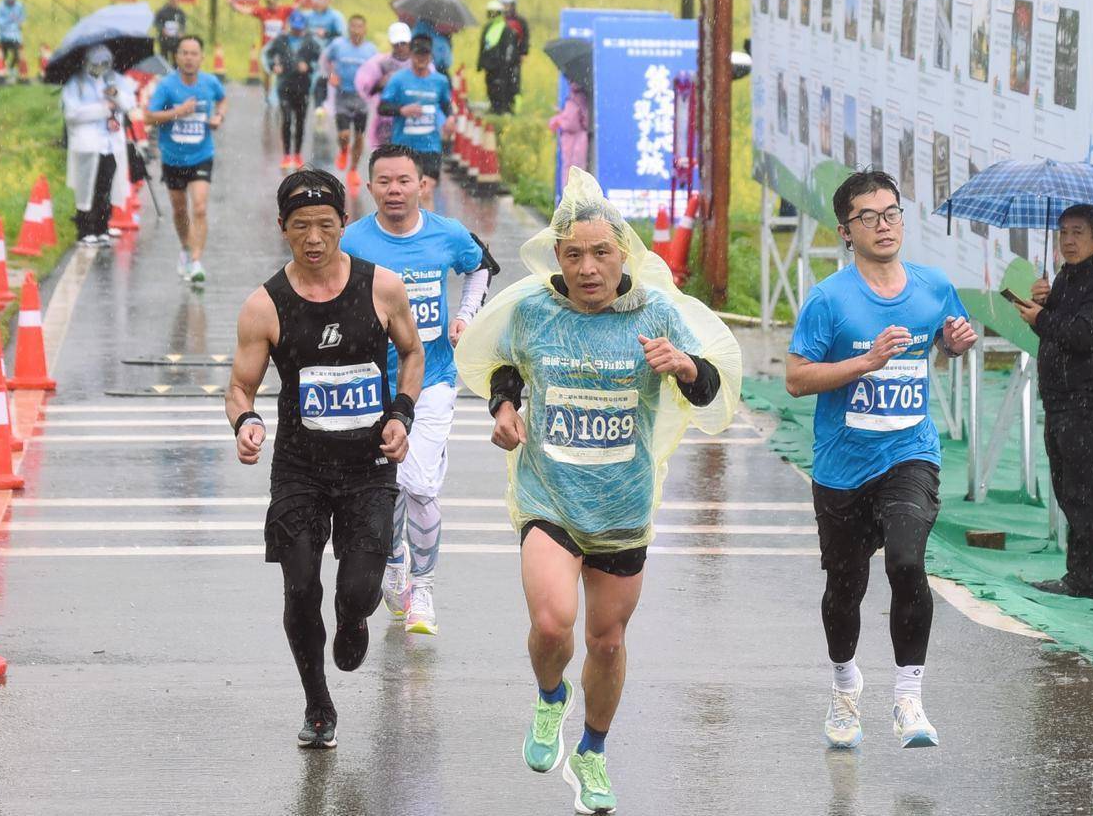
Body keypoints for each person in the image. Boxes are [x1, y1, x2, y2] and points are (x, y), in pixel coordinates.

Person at [457, 167, 740, 816]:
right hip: (548, 493)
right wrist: (504, 407)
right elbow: (504, 362)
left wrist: (687, 367)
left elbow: (708, 394)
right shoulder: (533, 309)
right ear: (557, 257)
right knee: (553, 621)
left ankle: (591, 749)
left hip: (620, 504)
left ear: (623, 256)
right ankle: (550, 695)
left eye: (601, 253)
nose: (588, 267)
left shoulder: (655, 313)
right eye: (574, 254)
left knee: (607, 641)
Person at [225, 169, 425, 750]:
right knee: (300, 587)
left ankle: (355, 613)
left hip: (369, 466)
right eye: (300, 227)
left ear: (343, 223)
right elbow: (239, 387)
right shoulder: (265, 305)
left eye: (326, 225)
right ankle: (317, 703)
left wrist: (402, 413)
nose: (314, 238)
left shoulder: (382, 288)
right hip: (299, 469)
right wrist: (247, 422)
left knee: (359, 588)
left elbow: (412, 353)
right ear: (282, 228)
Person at [784, 169, 979, 752]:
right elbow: (795, 378)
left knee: (906, 562)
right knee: (845, 589)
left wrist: (955, 343)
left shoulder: (933, 287)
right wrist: (863, 363)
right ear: (847, 231)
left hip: (909, 452)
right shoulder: (829, 299)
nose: (884, 224)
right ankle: (845, 685)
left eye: (891, 212)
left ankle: (909, 698)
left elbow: (939, 345)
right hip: (843, 466)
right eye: (868, 217)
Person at [340, 144, 495, 634]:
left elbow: (481, 267)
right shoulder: (352, 241)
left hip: (431, 379)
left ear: (422, 185)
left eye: (403, 181)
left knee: (420, 484)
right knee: (386, 486)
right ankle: (394, 564)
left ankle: (422, 588)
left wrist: (466, 316)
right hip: (371, 385)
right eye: (383, 181)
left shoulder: (448, 234)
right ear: (369, 188)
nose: (394, 190)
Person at [1011, 203, 1093, 599]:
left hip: (1087, 402)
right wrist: (1044, 303)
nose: (1068, 240)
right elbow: (1059, 329)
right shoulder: (1068, 276)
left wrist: (1041, 319)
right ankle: (1077, 574)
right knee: (1067, 488)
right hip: (1061, 399)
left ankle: (1087, 579)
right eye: (1063, 233)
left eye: (1078, 232)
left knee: (1084, 491)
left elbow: (1085, 335)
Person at [145, 35, 228, 286]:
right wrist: (177, 112)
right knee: (180, 210)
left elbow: (222, 99)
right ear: (176, 56)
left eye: (194, 53)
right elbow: (149, 117)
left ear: (202, 57)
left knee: (200, 207)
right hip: (172, 157)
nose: (189, 58)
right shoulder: (167, 86)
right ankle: (185, 247)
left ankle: (196, 260)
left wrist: (219, 117)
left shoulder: (210, 82)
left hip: (202, 155)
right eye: (184, 53)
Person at [62, 45, 135, 246]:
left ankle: (102, 227)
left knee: (106, 185)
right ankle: (85, 229)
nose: (100, 68)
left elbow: (129, 103)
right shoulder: (76, 84)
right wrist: (102, 109)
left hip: (110, 144)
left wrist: (115, 94)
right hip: (87, 144)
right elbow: (72, 113)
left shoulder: (115, 80)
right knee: (87, 187)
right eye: (96, 64)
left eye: (104, 64)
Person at [377, 32, 455, 205]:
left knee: (426, 192)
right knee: (406, 196)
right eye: (418, 54)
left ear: (430, 56)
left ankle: (427, 232)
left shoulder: (440, 81)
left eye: (425, 54)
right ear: (411, 55)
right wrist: (402, 110)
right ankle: (409, 229)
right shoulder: (398, 79)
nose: (421, 58)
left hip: (431, 146)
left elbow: (446, 104)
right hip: (404, 146)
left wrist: (450, 118)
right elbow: (382, 107)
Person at [322, 14, 379, 189]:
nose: (356, 30)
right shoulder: (338, 46)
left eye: (359, 26)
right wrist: (330, 74)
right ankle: (343, 150)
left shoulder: (371, 50)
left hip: (362, 99)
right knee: (344, 135)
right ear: (348, 28)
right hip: (343, 97)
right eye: (353, 26)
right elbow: (326, 60)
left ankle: (353, 170)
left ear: (365, 29)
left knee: (359, 136)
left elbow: (376, 70)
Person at [265, 10, 324, 171]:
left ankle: (297, 154)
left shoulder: (311, 42)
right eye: (294, 27)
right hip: (284, 85)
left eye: (300, 27)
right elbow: (267, 54)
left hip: (303, 87)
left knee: (300, 121)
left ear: (304, 26)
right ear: (289, 25)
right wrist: (273, 66)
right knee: (286, 119)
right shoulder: (280, 40)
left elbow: (322, 62)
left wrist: (309, 67)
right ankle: (286, 155)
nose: (297, 30)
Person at [356, 22, 413, 152]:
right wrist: (380, 84)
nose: (400, 47)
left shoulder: (418, 63)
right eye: (396, 43)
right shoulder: (381, 63)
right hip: (386, 119)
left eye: (403, 43)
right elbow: (367, 90)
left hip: (410, 120)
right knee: (386, 155)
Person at [234, 0, 295, 96]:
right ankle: (268, 96)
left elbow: (297, 7)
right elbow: (246, 10)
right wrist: (234, 5)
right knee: (267, 72)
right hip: (267, 48)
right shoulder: (263, 11)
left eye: (274, 2)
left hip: (282, 47)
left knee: (283, 71)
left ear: (277, 1)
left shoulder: (284, 10)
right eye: (269, 3)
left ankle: (283, 94)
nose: (272, 5)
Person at [304, 0, 347, 120]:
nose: (323, 3)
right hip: (310, 53)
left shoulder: (335, 16)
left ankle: (320, 106)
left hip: (327, 55)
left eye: (326, 0)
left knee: (322, 78)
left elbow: (341, 35)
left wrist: (327, 34)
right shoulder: (308, 16)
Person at [477, 0, 524, 116]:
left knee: (502, 88)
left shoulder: (506, 29)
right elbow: (483, 46)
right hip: (490, 66)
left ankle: (503, 109)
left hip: (501, 67)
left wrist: (506, 65)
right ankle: (494, 107)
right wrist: (480, 63)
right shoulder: (488, 28)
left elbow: (509, 49)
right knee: (491, 87)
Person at [548, 85, 592, 179]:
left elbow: (571, 122)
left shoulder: (575, 99)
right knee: (575, 168)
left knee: (572, 168)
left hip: (575, 138)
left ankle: (571, 192)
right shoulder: (577, 99)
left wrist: (560, 119)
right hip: (575, 138)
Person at [0, 0, 26, 82]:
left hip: (15, 36)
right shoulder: (1, 7)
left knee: (17, 54)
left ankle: (11, 70)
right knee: (3, 55)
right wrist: (8, 21)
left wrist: (19, 23)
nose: (12, 1)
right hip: (4, 36)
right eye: (10, 0)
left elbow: (22, 17)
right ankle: (0, 73)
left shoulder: (18, 6)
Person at [154, 0, 189, 64]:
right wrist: (162, 29)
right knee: (164, 59)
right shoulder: (162, 11)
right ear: (169, 1)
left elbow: (183, 24)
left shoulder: (180, 13)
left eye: (176, 1)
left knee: (176, 59)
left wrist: (181, 32)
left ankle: (175, 72)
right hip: (164, 39)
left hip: (176, 40)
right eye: (172, 1)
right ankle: (165, 73)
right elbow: (156, 23)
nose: (174, 3)